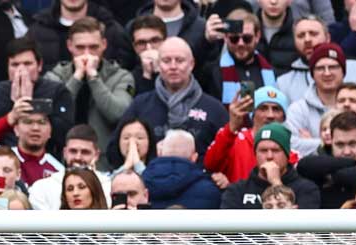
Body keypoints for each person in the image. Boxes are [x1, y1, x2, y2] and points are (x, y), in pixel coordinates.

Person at [110, 37, 227, 156]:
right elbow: (114, 150)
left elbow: (228, 154)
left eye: (180, 60)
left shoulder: (214, 109)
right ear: (158, 65)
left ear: (192, 64)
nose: (173, 66)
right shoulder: (140, 105)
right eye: (166, 61)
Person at [48, 16, 135, 150]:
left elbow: (117, 114)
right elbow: (53, 113)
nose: (87, 54)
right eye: (80, 47)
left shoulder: (121, 76)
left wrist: (94, 78)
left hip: (104, 159)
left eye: (93, 47)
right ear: (69, 46)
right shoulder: (55, 76)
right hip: (62, 156)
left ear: (104, 45)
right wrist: (76, 78)